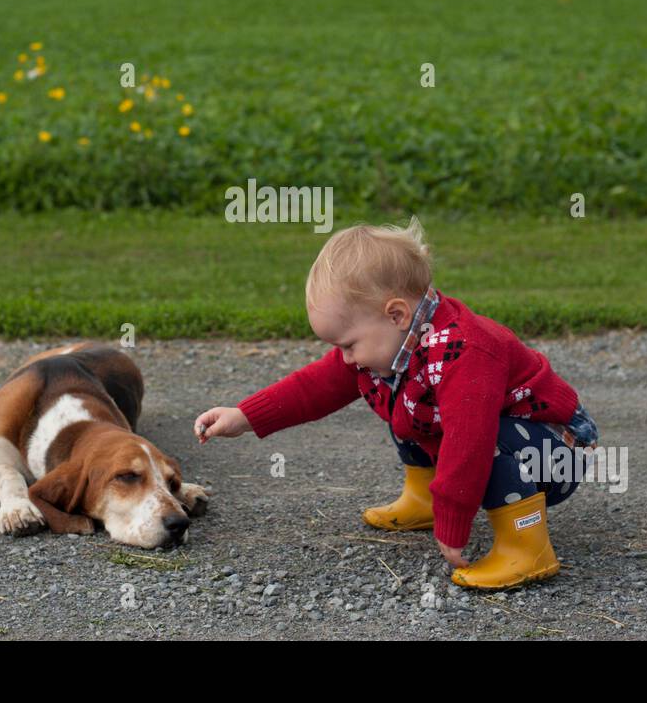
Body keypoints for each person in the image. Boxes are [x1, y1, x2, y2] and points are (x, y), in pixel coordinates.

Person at [193, 215, 599, 589]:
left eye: (348, 344)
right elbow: (313, 388)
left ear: (396, 314)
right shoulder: (391, 344)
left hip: (555, 450)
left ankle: (526, 545)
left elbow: (468, 441)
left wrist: (453, 523)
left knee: (476, 439)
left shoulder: (465, 349)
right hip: (511, 435)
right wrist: (244, 415)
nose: (345, 357)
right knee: (401, 401)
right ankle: (422, 497)